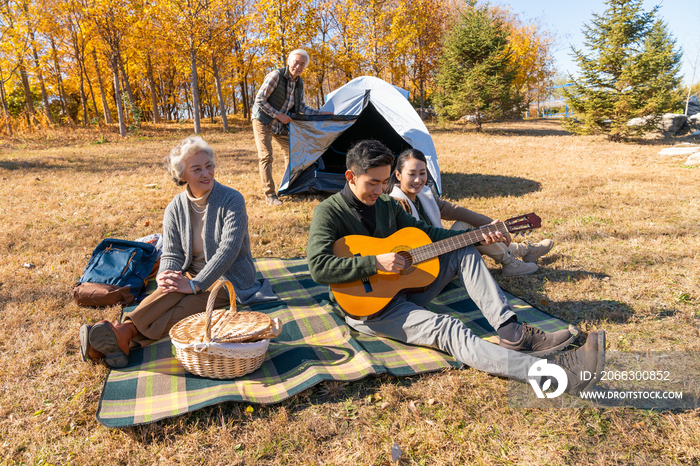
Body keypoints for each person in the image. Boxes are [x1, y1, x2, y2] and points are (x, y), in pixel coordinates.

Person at [307, 139, 605, 394]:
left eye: (385, 181)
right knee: (449, 328)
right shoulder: (328, 212)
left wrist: (475, 236)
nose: (380, 189)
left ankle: (511, 331)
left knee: (463, 251)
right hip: (370, 307)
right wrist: (374, 263)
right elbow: (319, 267)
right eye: (373, 182)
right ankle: (556, 373)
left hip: (407, 287)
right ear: (350, 176)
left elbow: (429, 235)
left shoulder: (386, 205)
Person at [79, 136, 278, 368]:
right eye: (197, 169)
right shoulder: (175, 207)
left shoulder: (232, 200)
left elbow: (229, 249)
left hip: (229, 280)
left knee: (182, 307)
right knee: (168, 289)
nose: (206, 173)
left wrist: (195, 285)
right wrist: (166, 273)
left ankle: (122, 334)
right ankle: (119, 338)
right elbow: (172, 252)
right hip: (191, 275)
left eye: (209, 166)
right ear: (182, 175)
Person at [387, 149, 553, 277]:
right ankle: (512, 259)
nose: (418, 180)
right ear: (398, 175)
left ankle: (520, 251)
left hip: (440, 249)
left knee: (466, 224)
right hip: (424, 263)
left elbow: (457, 211)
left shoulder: (424, 196)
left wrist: (496, 226)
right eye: (412, 174)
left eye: (422, 173)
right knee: (465, 230)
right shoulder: (394, 204)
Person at [251, 49, 331, 206]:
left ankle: (287, 187)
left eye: (302, 64)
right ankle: (270, 194)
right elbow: (259, 100)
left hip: (280, 123)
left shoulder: (299, 83)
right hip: (263, 119)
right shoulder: (276, 76)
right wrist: (278, 115)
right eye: (296, 62)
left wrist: (319, 114)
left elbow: (301, 107)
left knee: (294, 154)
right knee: (266, 156)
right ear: (289, 61)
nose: (298, 66)